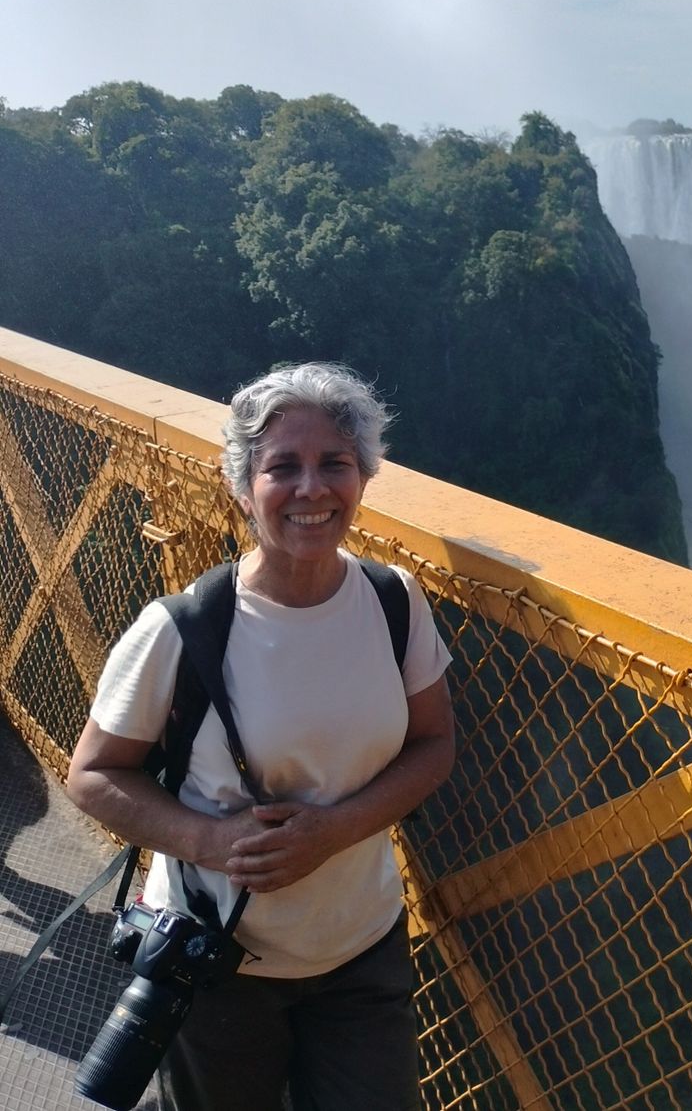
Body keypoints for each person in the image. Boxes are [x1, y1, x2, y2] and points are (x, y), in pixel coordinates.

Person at [67, 363, 456, 1111]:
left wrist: (335, 829)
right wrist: (208, 842)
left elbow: (433, 744)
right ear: (244, 489)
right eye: (283, 467)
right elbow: (94, 774)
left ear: (364, 476)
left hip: (361, 947)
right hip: (217, 965)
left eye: (335, 464)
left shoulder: (392, 600)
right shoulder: (182, 628)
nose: (312, 489)